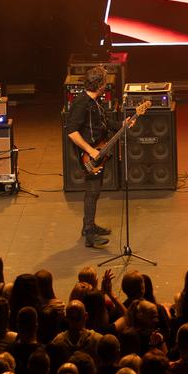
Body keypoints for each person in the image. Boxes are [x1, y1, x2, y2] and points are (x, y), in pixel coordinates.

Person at [62, 66, 131, 249]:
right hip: (89, 156)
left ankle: (89, 226)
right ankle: (89, 234)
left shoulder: (95, 101)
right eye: (105, 81)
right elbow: (71, 132)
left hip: (98, 149)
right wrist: (90, 150)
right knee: (92, 192)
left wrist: (121, 124)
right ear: (100, 84)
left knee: (96, 190)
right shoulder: (81, 103)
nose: (107, 84)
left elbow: (104, 123)